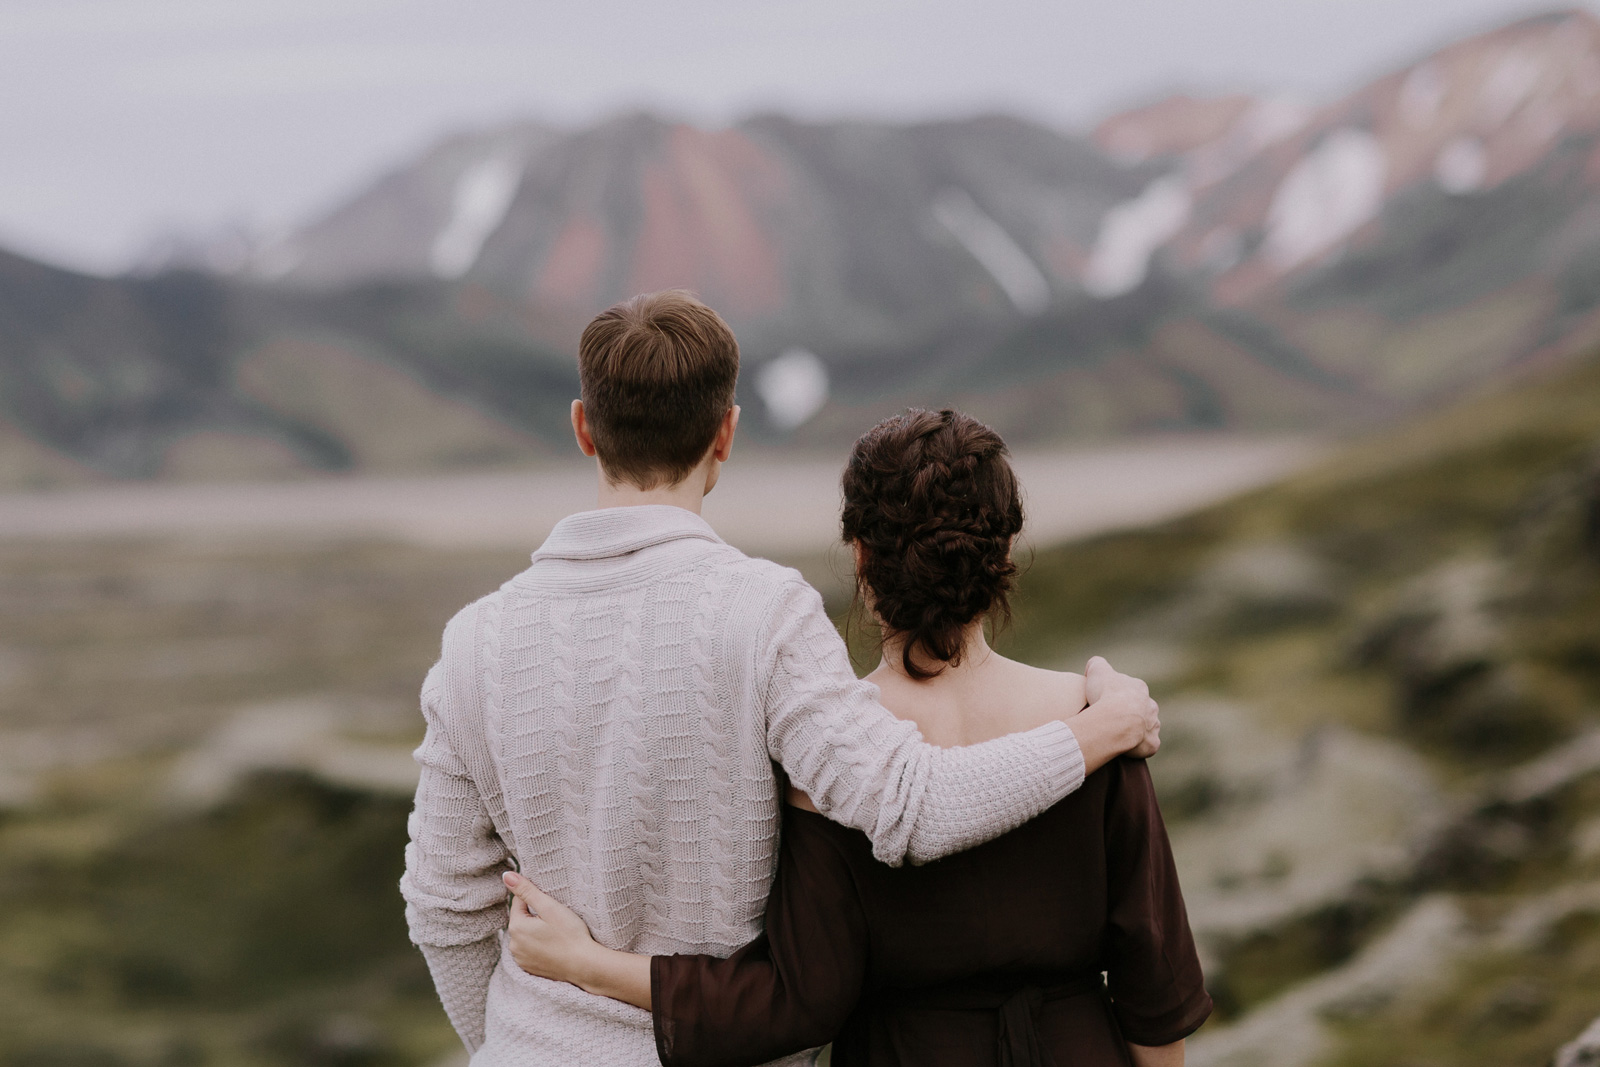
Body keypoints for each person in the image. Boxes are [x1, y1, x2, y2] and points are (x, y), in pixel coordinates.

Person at [400, 293, 1161, 1065]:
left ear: (583, 427)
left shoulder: (471, 644)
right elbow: (906, 807)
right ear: (726, 432)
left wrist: (522, 1043)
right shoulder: (765, 615)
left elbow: (442, 908)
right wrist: (1102, 728)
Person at [502, 408, 1210, 1066]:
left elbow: (799, 1000)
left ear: (862, 555)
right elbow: (1157, 991)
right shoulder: (1097, 718)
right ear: (1004, 552)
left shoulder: (828, 754)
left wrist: (585, 963)